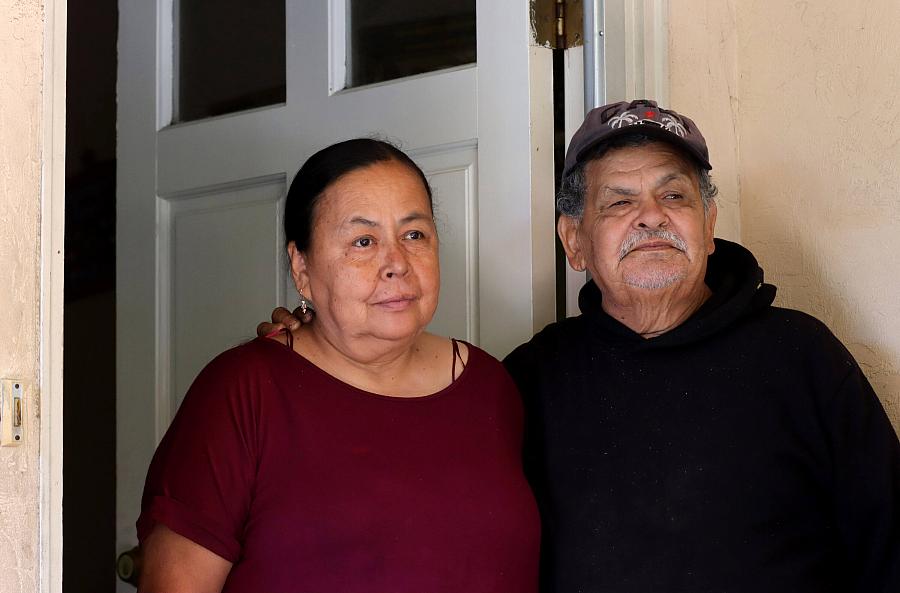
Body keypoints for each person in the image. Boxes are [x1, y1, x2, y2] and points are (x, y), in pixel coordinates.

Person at [263, 100, 900, 592]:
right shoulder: (530, 379)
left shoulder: (801, 356)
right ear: (575, 242)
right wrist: (320, 350)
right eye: (619, 201)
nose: (652, 216)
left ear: (709, 226)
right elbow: (409, 485)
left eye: (674, 195)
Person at [137, 138, 540, 593]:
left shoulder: (489, 386)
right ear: (302, 267)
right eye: (363, 241)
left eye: (414, 235)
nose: (397, 264)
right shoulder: (245, 392)